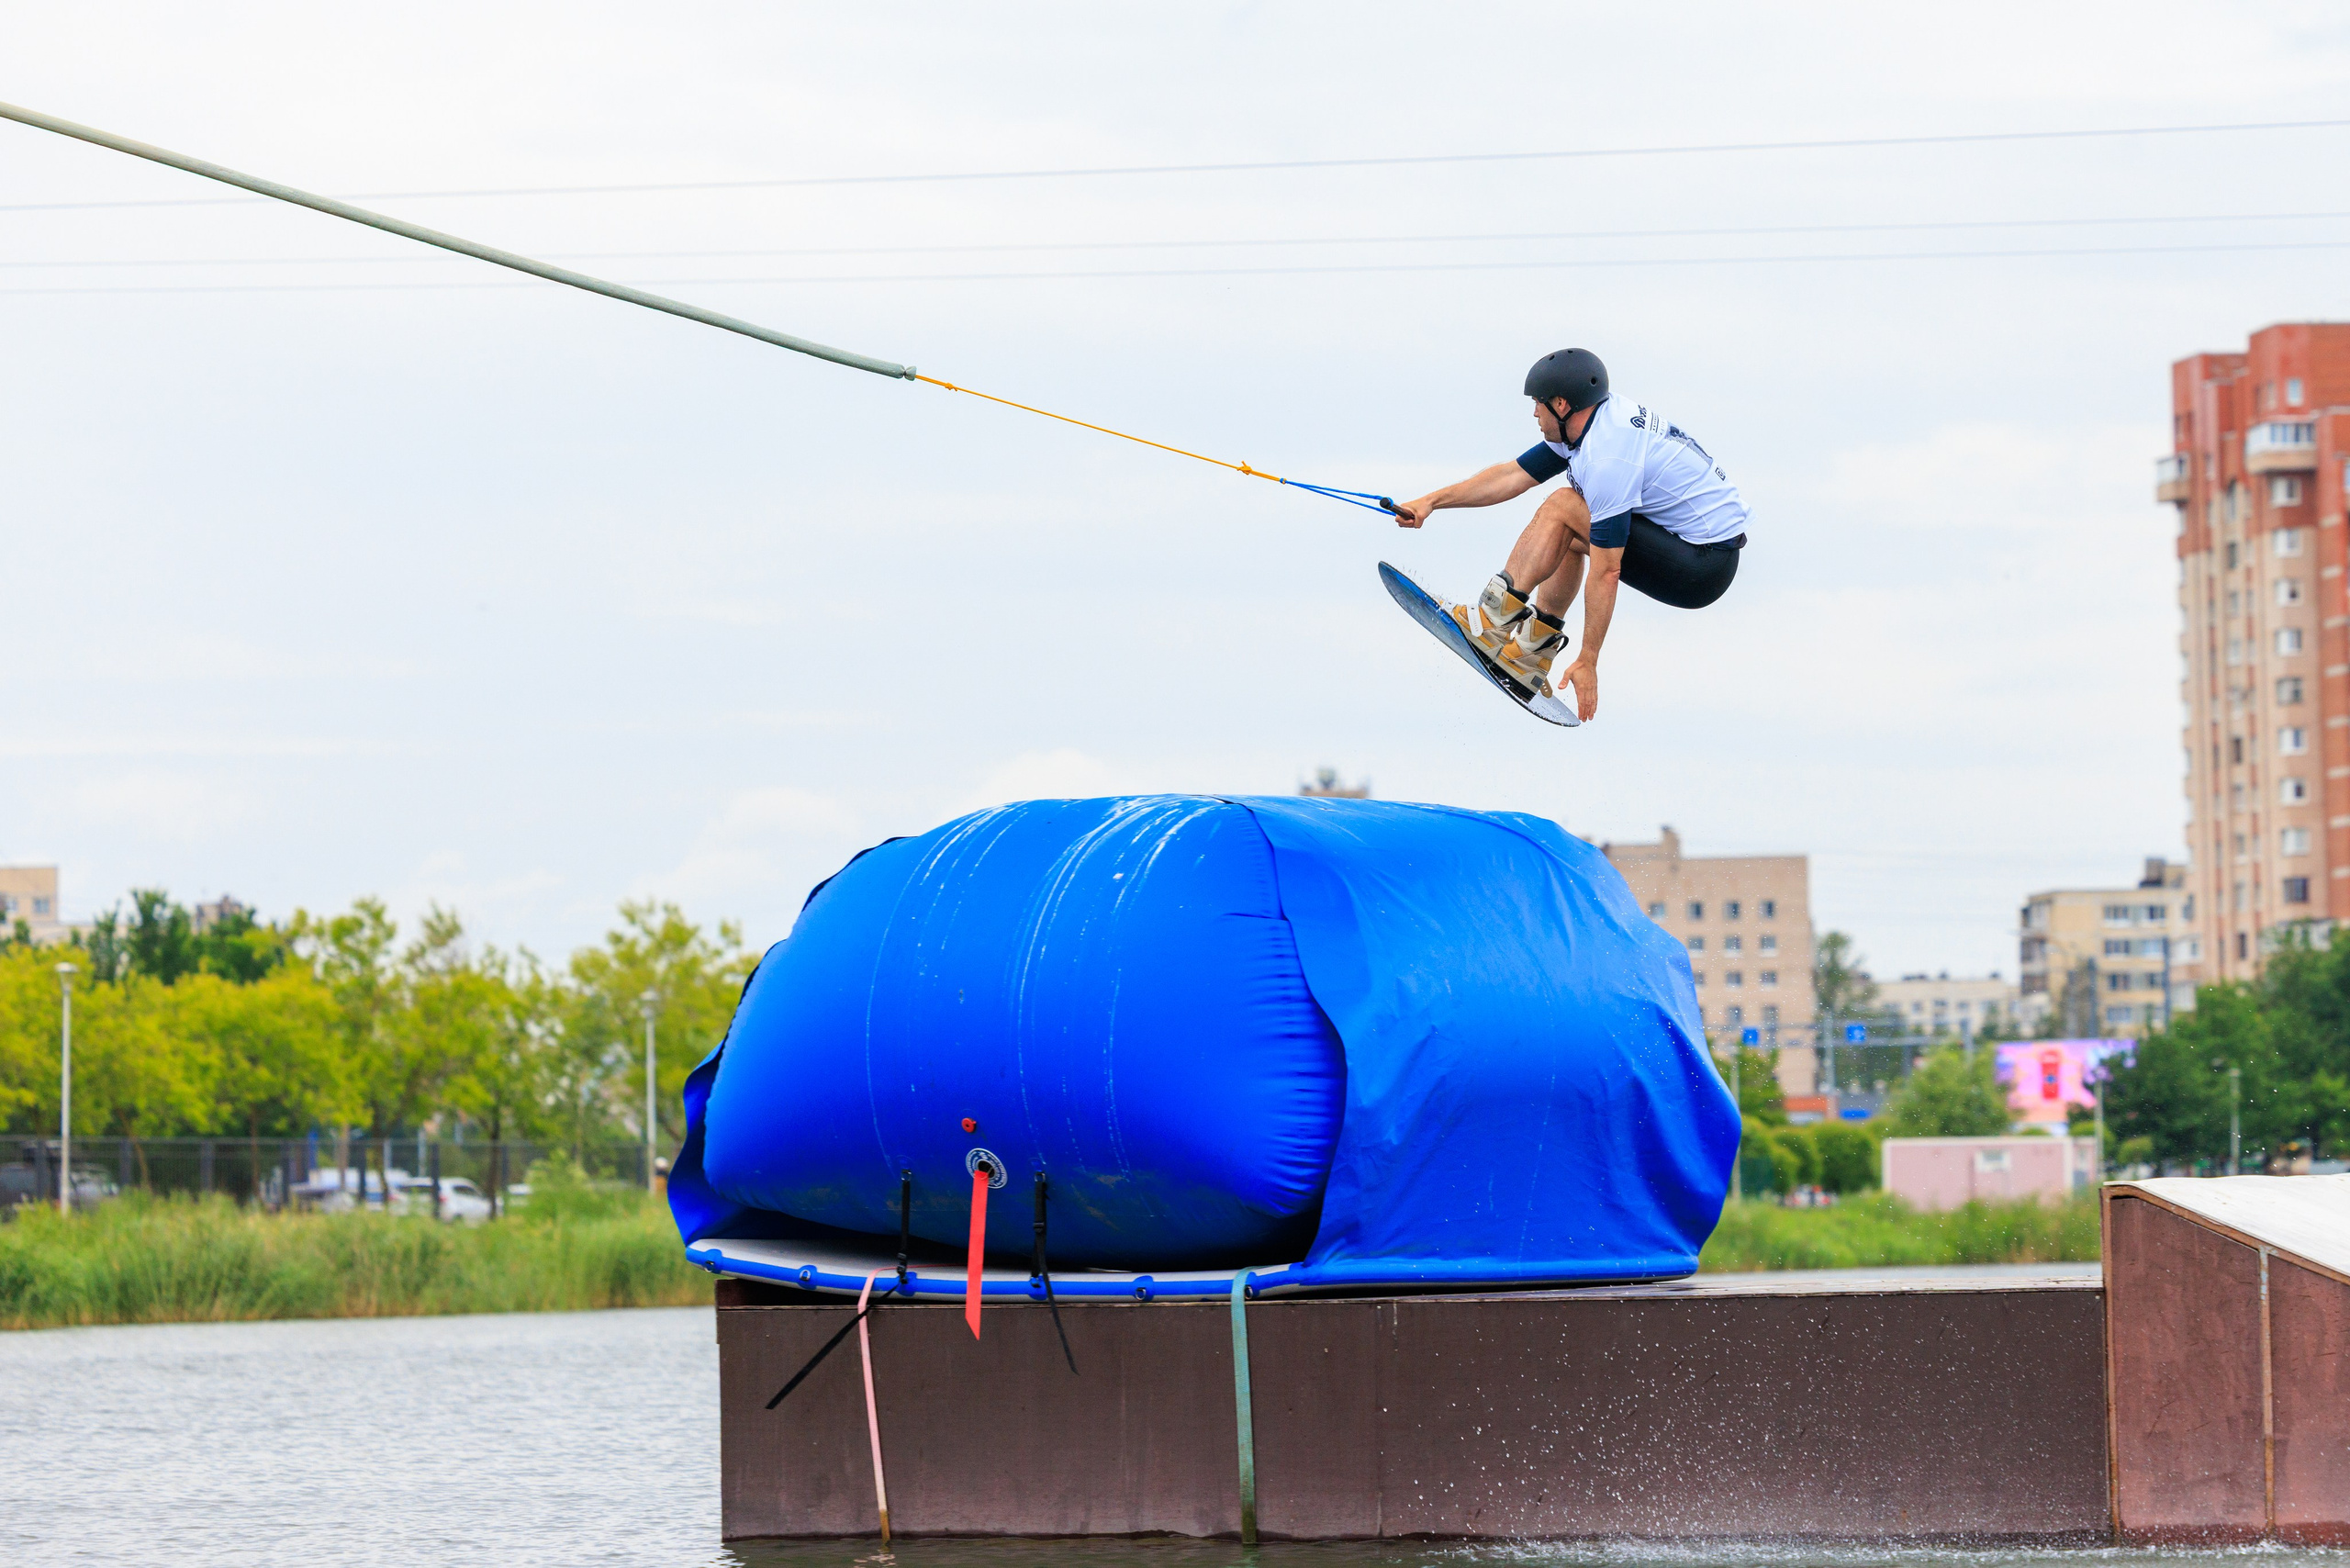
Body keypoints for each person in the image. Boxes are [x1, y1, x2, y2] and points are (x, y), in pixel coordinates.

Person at [1391, 349, 1750, 720]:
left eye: (1538, 404)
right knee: (1568, 527)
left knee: (1564, 505)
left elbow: (1608, 571)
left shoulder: (1607, 457)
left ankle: (1491, 623)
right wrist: (1431, 502)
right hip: (1696, 548)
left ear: (1561, 404)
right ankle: (1530, 654)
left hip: (1702, 566)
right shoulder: (1586, 423)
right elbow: (1511, 477)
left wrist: (1588, 659)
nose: (1534, 413)